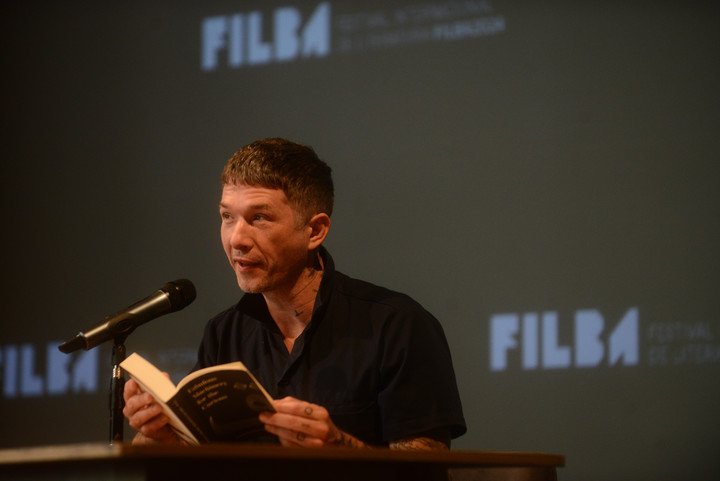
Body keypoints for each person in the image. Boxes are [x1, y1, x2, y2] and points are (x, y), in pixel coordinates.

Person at [123, 138, 466, 449]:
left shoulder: (397, 325)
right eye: (227, 216)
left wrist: (340, 447)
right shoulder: (224, 333)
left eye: (259, 218)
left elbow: (427, 470)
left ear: (314, 231)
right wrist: (160, 434)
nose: (236, 239)